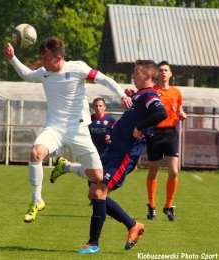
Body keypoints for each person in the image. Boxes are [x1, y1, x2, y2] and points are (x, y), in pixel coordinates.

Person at [3, 37, 132, 223]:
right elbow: (26, 75)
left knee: (98, 177)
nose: (43, 63)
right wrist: (12, 58)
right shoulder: (43, 72)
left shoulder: (77, 68)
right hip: (54, 128)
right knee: (36, 152)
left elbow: (104, 79)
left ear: (57, 58)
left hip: (78, 130)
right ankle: (36, 200)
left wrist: (121, 95)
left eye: (46, 59)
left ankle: (67, 167)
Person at [50, 60, 168, 254]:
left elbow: (161, 112)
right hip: (112, 150)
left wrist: (140, 127)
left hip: (124, 154)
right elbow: (134, 116)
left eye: (136, 73)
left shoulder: (149, 94)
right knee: (93, 194)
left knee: (98, 194)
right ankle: (133, 225)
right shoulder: (139, 96)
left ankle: (93, 243)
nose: (133, 76)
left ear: (148, 76)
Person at [126, 60, 187, 221]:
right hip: (154, 133)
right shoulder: (151, 91)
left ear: (171, 73)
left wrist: (182, 115)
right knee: (154, 170)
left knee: (174, 171)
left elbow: (178, 110)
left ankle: (168, 206)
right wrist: (131, 95)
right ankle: (151, 205)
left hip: (171, 133)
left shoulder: (176, 92)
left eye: (166, 70)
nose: (163, 73)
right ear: (155, 74)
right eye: (161, 70)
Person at [87, 97, 116, 204]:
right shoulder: (89, 120)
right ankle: (93, 194)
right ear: (93, 107)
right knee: (91, 173)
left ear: (104, 107)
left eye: (100, 106)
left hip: (106, 152)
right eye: (96, 106)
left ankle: (99, 194)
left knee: (102, 174)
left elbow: (116, 136)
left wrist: (111, 140)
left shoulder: (111, 120)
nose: (98, 108)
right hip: (92, 151)